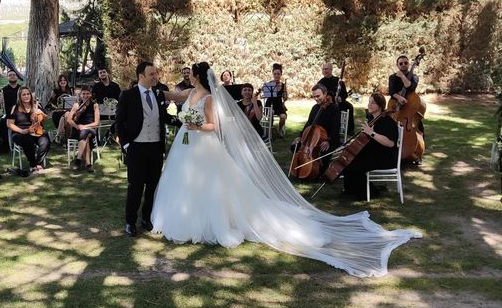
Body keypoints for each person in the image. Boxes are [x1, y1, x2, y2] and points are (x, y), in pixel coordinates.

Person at [151, 62, 421, 278]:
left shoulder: (209, 99)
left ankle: (211, 220)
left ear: (198, 76)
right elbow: (173, 95)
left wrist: (197, 126)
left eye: (192, 73)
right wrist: (156, 91)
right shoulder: (189, 93)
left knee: (213, 185)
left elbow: (215, 126)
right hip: (186, 147)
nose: (189, 76)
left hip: (203, 145)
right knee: (182, 182)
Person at [116, 61, 173, 237]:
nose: (155, 76)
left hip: (155, 147)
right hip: (136, 147)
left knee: (153, 185)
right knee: (136, 186)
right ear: (141, 76)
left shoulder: (158, 94)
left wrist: (184, 121)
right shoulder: (128, 95)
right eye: (152, 74)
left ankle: (147, 218)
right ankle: (130, 222)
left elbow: (164, 117)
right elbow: (119, 123)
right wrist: (126, 145)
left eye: (156, 73)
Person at [340, 93, 398, 200]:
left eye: (373, 103)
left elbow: (390, 143)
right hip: (374, 154)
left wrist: (372, 133)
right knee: (349, 160)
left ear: (380, 106)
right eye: (369, 102)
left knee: (355, 166)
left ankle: (371, 192)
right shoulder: (373, 119)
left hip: (385, 157)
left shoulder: (387, 122)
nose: (369, 105)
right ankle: (350, 191)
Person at [7, 87, 51, 173]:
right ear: (19, 96)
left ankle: (38, 163)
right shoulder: (14, 108)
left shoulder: (36, 105)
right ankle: (32, 164)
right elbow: (9, 124)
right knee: (28, 142)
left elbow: (46, 118)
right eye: (24, 94)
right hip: (20, 132)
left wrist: (42, 113)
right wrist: (22, 131)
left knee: (45, 141)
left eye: (28, 94)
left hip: (36, 131)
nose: (26, 96)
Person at [293, 83, 341, 162]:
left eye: (318, 96)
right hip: (314, 137)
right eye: (314, 97)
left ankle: (321, 171)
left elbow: (336, 128)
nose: (316, 99)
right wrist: (300, 136)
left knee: (324, 152)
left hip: (329, 138)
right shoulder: (315, 107)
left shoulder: (334, 108)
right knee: (295, 146)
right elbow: (309, 123)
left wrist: (328, 141)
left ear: (325, 94)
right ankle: (304, 167)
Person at [389, 54, 424, 137]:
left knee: (419, 128)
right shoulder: (392, 77)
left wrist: (402, 76)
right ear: (397, 65)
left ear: (408, 64)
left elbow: (409, 86)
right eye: (401, 63)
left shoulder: (414, 77)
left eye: (405, 63)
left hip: (410, 106)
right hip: (396, 105)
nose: (403, 65)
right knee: (391, 126)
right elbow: (391, 91)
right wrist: (399, 97)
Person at [66, 86, 100, 173]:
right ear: (80, 95)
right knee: (85, 136)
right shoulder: (76, 105)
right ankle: (88, 164)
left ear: (91, 94)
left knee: (84, 132)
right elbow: (69, 119)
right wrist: (77, 126)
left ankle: (78, 159)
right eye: (83, 94)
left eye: (87, 93)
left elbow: (97, 123)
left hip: (90, 128)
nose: (85, 95)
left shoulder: (95, 105)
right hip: (78, 130)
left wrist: (85, 127)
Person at [318, 62, 355, 133]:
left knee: (350, 106)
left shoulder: (338, 81)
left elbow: (345, 94)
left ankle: (350, 129)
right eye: (323, 69)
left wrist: (341, 98)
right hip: (327, 104)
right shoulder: (320, 83)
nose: (325, 71)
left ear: (331, 70)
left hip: (339, 104)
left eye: (326, 69)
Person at [0, 70, 21, 151]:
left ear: (17, 77)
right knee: (2, 123)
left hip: (21, 114)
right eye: (10, 75)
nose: (12, 76)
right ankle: (5, 147)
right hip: (9, 115)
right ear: (7, 77)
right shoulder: (2, 90)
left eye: (14, 75)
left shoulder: (22, 89)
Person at [261, 63, 288, 137]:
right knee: (271, 112)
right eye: (275, 74)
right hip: (269, 104)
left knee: (283, 117)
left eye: (278, 74)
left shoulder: (283, 85)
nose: (276, 75)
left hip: (279, 105)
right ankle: (270, 129)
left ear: (281, 75)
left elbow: (285, 98)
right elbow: (263, 93)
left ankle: (279, 129)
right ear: (273, 74)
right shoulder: (269, 84)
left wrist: (285, 95)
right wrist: (263, 89)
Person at [46, 74, 74, 142]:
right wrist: (57, 108)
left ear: (67, 81)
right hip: (58, 112)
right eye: (61, 80)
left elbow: (74, 101)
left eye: (64, 80)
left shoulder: (71, 90)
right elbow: (50, 103)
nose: (63, 81)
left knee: (66, 115)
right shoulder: (55, 91)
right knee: (66, 116)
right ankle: (67, 139)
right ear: (58, 82)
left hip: (69, 112)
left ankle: (58, 136)